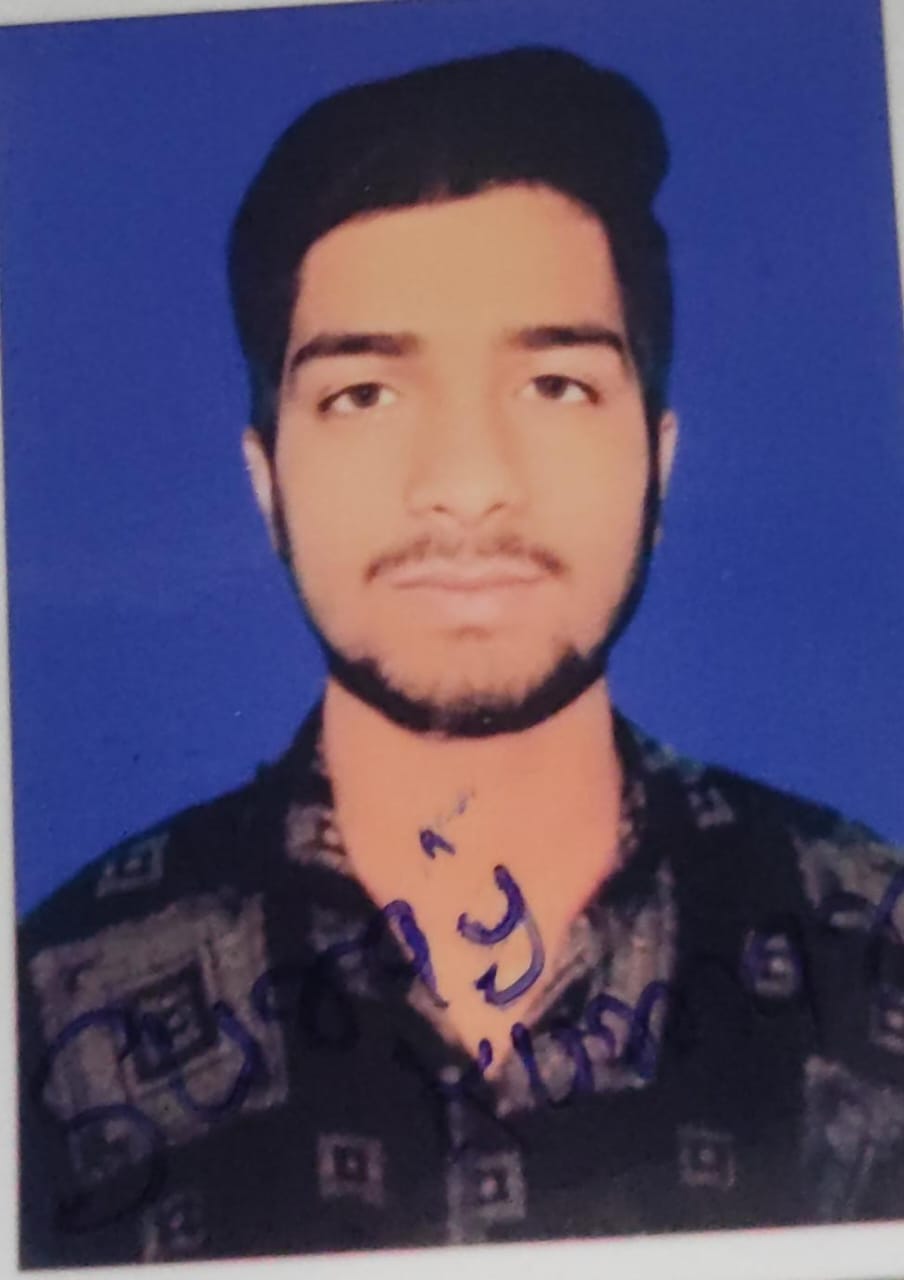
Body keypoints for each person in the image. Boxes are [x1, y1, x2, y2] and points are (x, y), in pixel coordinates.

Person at [17, 46, 904, 1266]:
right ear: (265, 482)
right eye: (365, 395)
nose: (468, 481)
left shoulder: (869, 945)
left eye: (554, 383)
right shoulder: (50, 1007)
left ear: (659, 462)